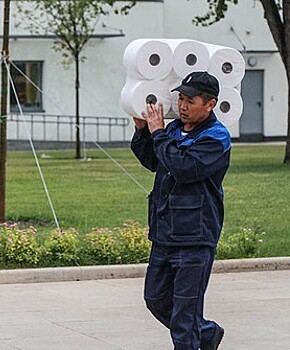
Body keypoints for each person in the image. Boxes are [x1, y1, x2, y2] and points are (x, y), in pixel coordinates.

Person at [130, 71, 230, 350]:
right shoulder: (174, 129)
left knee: (184, 317)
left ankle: (196, 337)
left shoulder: (216, 137)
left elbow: (185, 168)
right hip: (164, 233)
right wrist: (142, 131)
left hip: (195, 237)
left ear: (210, 104)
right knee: (156, 299)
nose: (182, 105)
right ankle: (207, 334)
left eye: (190, 100)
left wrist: (159, 134)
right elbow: (154, 160)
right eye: (181, 98)